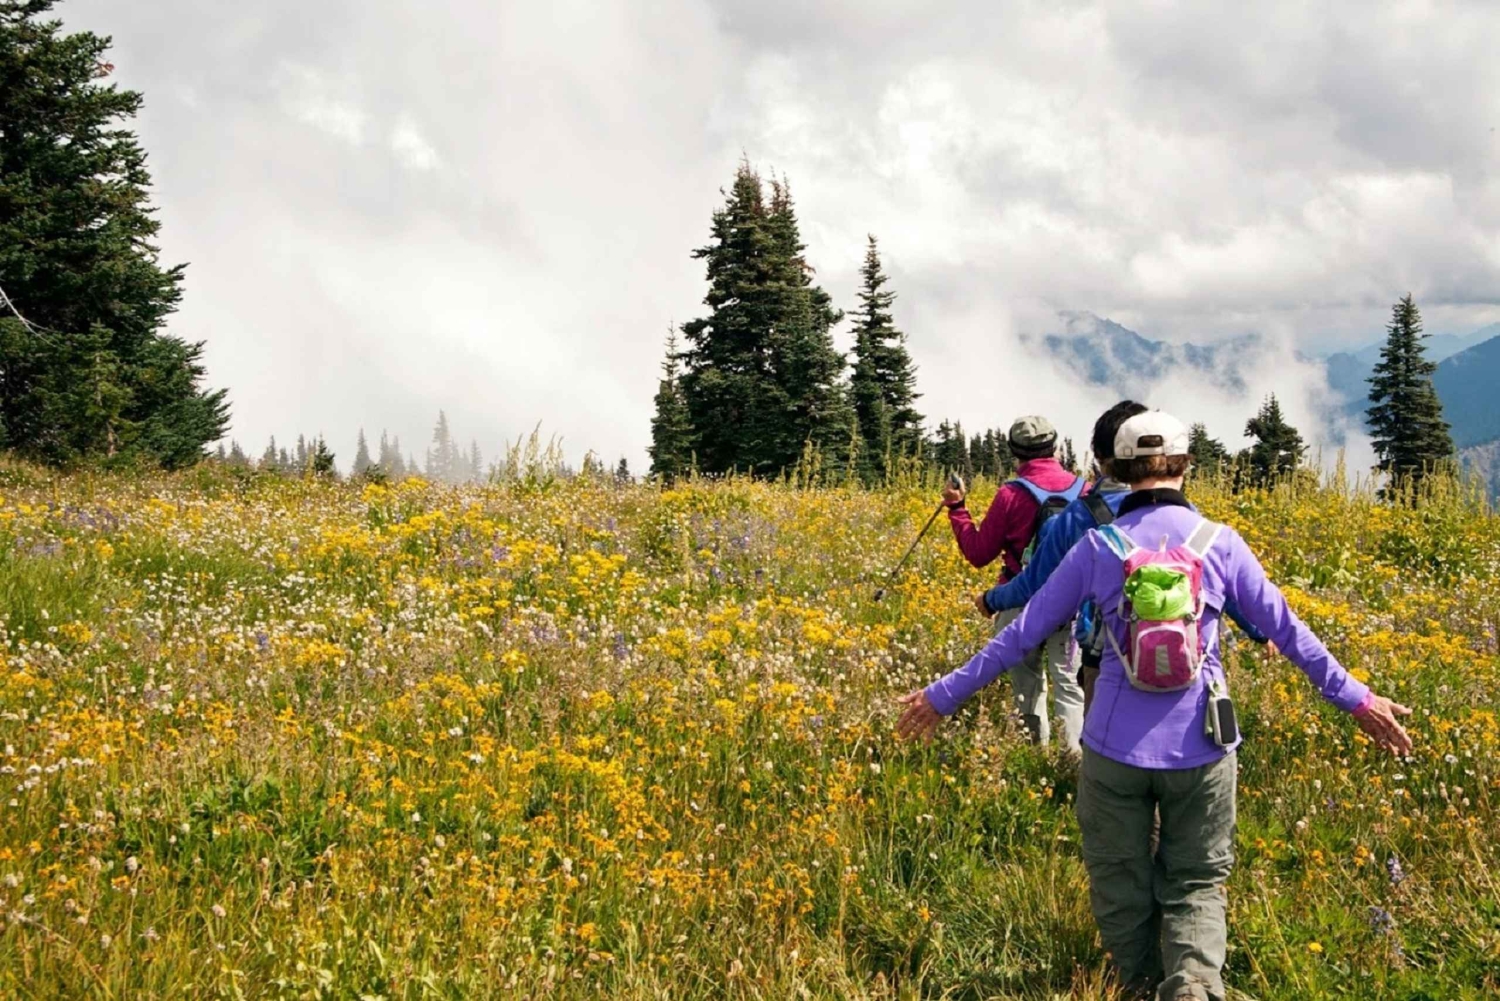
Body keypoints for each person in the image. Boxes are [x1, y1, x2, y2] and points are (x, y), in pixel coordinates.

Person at [898, 410, 1412, 1001]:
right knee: (1196, 882)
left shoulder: (1097, 547)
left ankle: (1138, 987)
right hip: (1205, 746)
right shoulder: (1220, 545)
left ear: (1112, 468)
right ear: (1186, 466)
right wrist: (1359, 700)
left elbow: (1021, 635)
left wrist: (942, 697)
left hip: (1114, 749)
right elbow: (1291, 634)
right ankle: (1193, 986)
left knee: (1120, 879)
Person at [977, 402, 1270, 711]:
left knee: (1099, 737)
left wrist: (991, 599)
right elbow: (1222, 580)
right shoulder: (1184, 516)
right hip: (1175, 651)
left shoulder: (1077, 515)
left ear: (1102, 460)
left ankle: (1072, 757)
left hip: (1102, 652)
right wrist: (1260, 632)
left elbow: (1033, 583)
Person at [943, 415, 1085, 751]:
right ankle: (1073, 763)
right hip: (1072, 602)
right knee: (1070, 685)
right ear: (1054, 446)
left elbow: (978, 553)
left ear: (1015, 452)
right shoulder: (1085, 490)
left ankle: (1036, 753)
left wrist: (957, 509)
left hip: (1018, 599)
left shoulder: (1009, 495)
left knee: (1027, 683)